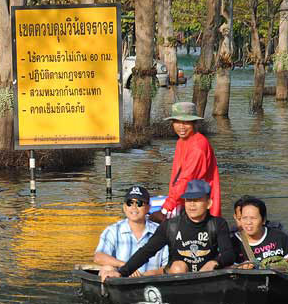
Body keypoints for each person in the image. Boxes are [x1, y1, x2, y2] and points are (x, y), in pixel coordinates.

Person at [101, 180, 234, 280]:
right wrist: (121, 272)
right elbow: (147, 251)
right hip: (175, 277)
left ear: (209, 203)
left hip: (207, 277)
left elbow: (228, 254)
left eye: (197, 200)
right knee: (179, 267)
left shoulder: (218, 224)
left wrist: (214, 262)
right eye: (188, 200)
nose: (192, 205)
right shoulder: (170, 225)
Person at [148, 102, 221, 222]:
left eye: (186, 122)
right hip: (184, 200)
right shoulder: (181, 141)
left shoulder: (198, 147)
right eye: (177, 121)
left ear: (194, 123)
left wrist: (165, 210)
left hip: (200, 205)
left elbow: (187, 180)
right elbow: (178, 177)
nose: (181, 126)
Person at [93, 185, 168, 278]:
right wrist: (126, 266)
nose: (134, 207)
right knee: (107, 268)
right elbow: (98, 257)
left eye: (139, 203)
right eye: (130, 203)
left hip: (151, 282)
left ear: (148, 208)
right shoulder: (112, 230)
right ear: (124, 207)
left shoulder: (160, 231)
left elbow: (168, 266)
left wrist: (144, 276)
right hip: (121, 281)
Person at [231, 196, 288, 267]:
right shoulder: (230, 240)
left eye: (253, 218)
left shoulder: (278, 235)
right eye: (242, 218)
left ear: (263, 220)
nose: (248, 223)